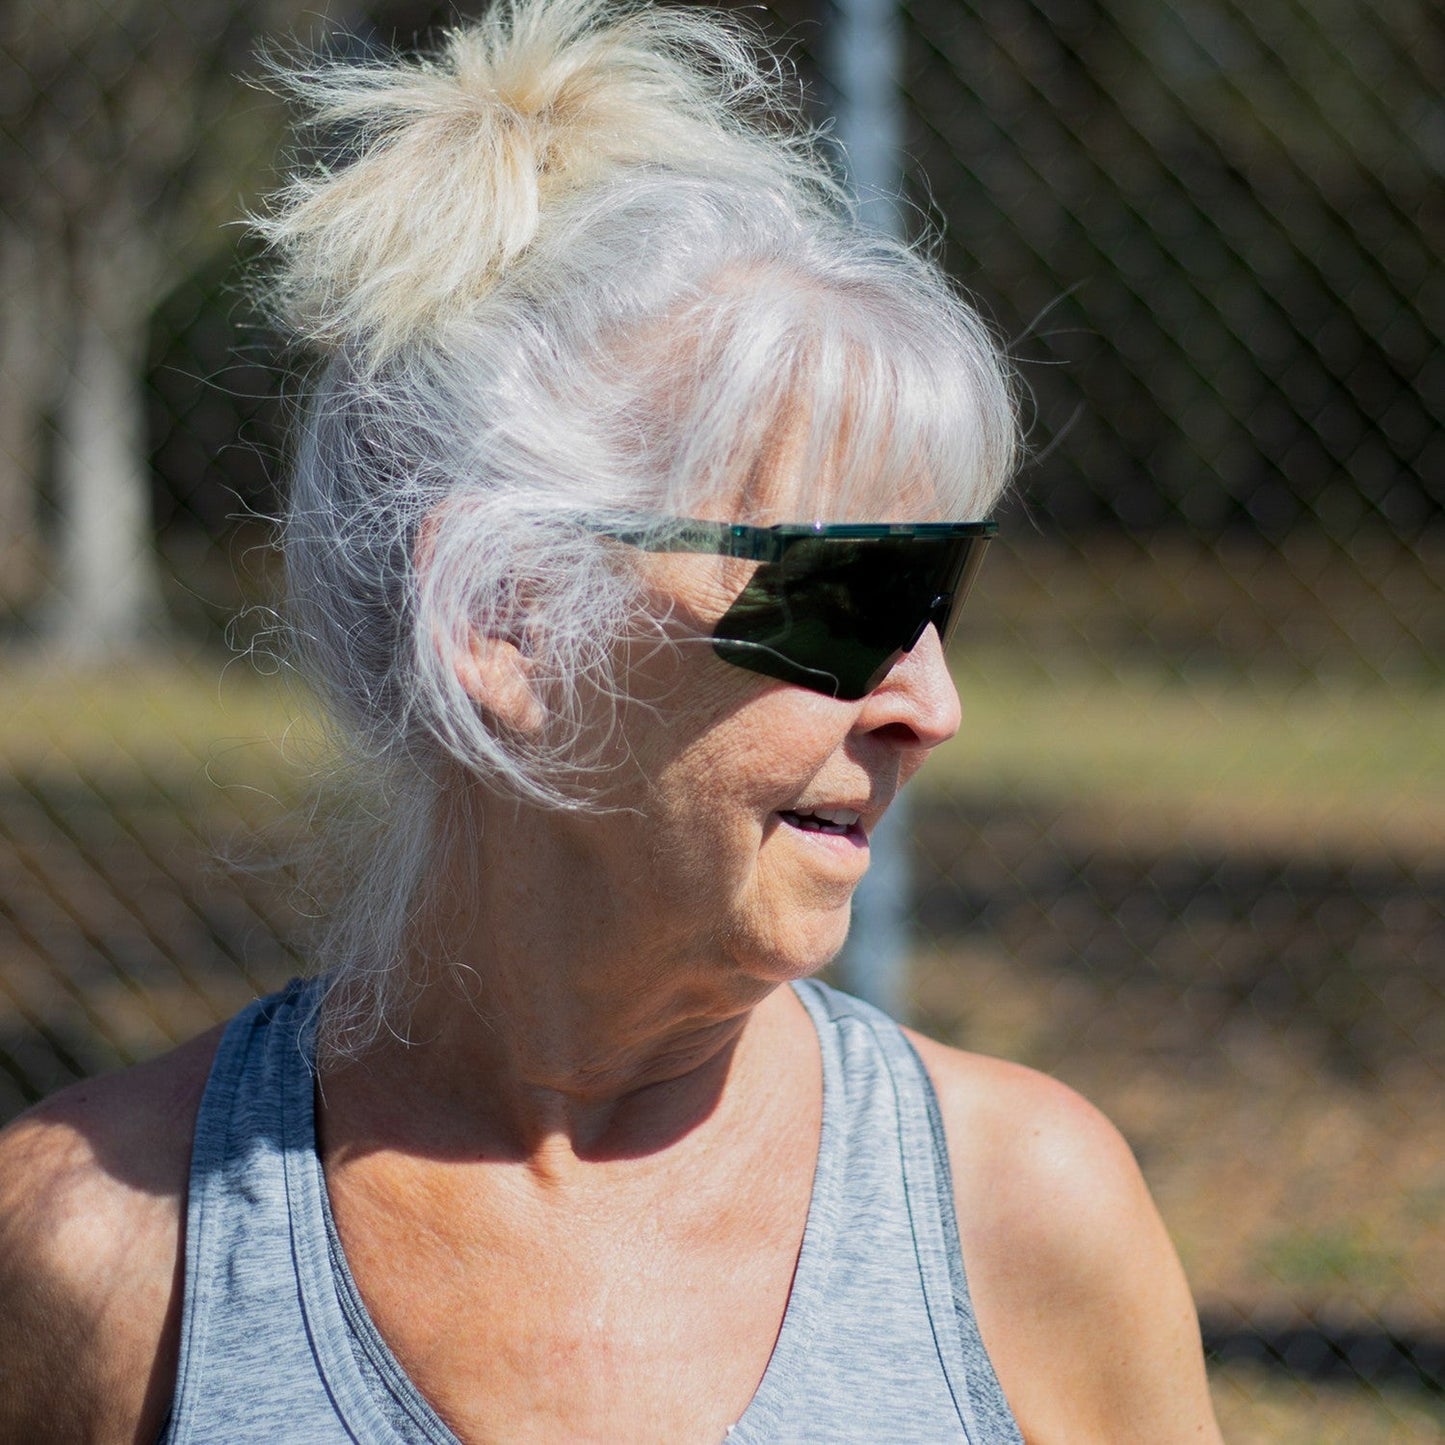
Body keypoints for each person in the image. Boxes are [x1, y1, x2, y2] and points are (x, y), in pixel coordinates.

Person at [0, 1, 1223, 1439]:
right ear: (504, 622)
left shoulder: (1023, 1214)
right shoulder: (94, 1249)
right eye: (841, 594)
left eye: (938, 595)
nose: (930, 706)